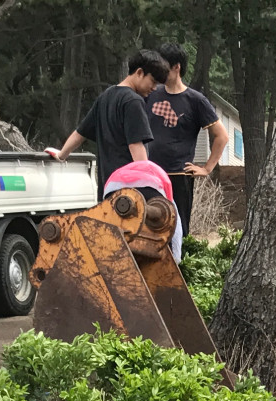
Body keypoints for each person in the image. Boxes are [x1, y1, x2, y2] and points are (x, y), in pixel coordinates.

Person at [48, 50, 163, 200]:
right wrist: (148, 186)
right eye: (153, 81)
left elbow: (80, 133)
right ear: (140, 72)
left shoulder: (105, 96)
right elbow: (136, 146)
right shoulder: (133, 101)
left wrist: (61, 154)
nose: (154, 88)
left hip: (107, 190)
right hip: (129, 194)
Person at [149, 43, 229, 236]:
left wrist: (206, 168)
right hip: (149, 175)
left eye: (163, 66)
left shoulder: (195, 100)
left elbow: (222, 136)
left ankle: (177, 265)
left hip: (178, 176)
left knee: (177, 230)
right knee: (147, 229)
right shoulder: (149, 95)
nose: (158, 71)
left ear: (176, 67)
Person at [101, 159, 184, 265]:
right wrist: (176, 259)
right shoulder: (165, 189)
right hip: (151, 188)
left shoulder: (119, 173)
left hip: (113, 189)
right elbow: (175, 228)